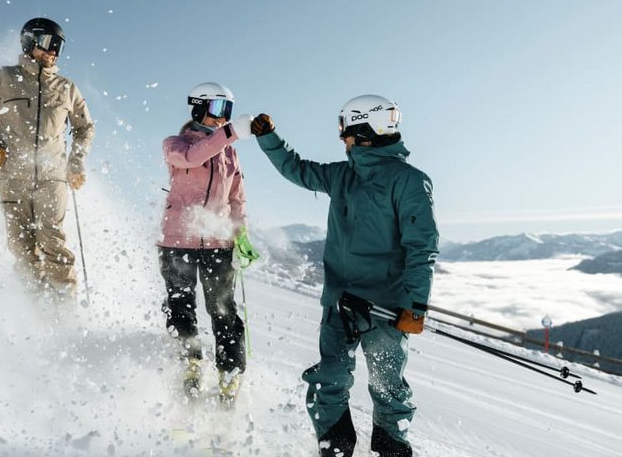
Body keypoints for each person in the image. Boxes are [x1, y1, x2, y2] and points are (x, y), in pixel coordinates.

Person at [250, 96, 438, 457]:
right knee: (329, 380)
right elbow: (297, 169)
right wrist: (269, 138)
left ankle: (392, 448)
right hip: (339, 302)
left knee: (387, 386)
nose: (342, 138)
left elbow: (422, 246)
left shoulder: (409, 182)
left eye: (345, 130)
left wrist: (415, 304)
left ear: (364, 130)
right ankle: (334, 448)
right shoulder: (342, 176)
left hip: (384, 307)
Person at [0, 17, 94, 297]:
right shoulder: (2, 78)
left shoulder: (66, 88)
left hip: (52, 177)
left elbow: (84, 128)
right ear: (30, 42)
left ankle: (65, 310)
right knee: (22, 247)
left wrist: (75, 163)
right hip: (11, 176)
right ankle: (36, 309)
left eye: (59, 46)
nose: (54, 51)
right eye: (48, 43)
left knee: (52, 241)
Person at [157, 82, 254, 403]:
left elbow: (236, 196)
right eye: (216, 109)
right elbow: (191, 157)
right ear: (197, 107)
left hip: (218, 243)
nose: (222, 118)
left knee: (223, 309)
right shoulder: (176, 144)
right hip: (178, 241)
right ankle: (190, 362)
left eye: (227, 111)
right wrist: (230, 133)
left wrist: (240, 233)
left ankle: (230, 373)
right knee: (180, 305)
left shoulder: (229, 151)